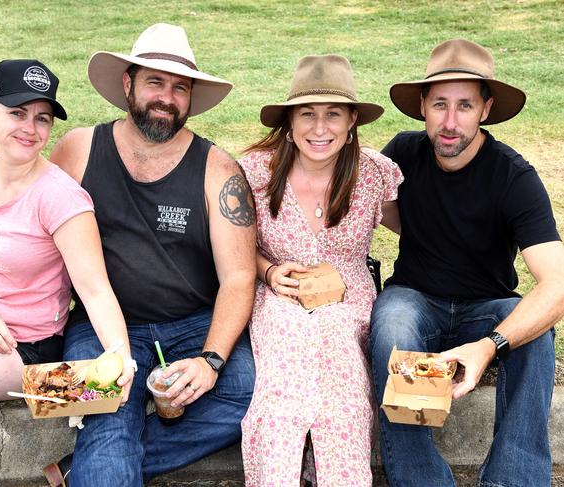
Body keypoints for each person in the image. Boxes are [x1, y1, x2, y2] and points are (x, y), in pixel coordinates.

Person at [41, 23, 257, 487]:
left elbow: (240, 276)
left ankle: (93, 463)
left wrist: (211, 360)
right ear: (128, 84)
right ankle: (110, 444)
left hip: (193, 322)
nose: (167, 97)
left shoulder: (219, 169)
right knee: (106, 415)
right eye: (155, 82)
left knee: (248, 392)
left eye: (180, 87)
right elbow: (30, 227)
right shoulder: (78, 149)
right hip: (102, 326)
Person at [369, 39, 564, 487]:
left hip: (487, 304)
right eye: (439, 104)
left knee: (534, 331)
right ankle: (421, 480)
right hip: (415, 297)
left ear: (486, 109)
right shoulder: (402, 152)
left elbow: (557, 285)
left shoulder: (513, 176)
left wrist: (489, 345)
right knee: (391, 322)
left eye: (464, 106)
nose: (451, 122)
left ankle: (511, 480)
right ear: (422, 107)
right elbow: (358, 203)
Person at [0, 59, 133, 402]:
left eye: (42, 118)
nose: (30, 128)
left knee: (96, 390)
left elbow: (95, 291)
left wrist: (121, 359)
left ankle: (77, 387)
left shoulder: (60, 197)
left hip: (21, 352)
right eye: (18, 113)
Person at [238, 54, 403, 486]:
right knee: (280, 393)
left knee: (344, 384)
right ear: (289, 122)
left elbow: (421, 233)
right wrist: (269, 272)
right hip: (279, 296)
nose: (319, 128)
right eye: (307, 114)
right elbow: (237, 248)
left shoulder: (374, 174)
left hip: (349, 298)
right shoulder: (255, 172)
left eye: (333, 114)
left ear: (352, 121)